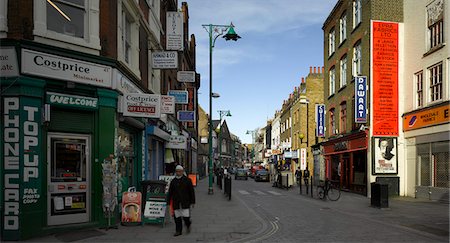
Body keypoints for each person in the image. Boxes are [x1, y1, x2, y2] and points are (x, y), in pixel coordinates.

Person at [167, 165, 195, 237]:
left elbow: (191, 192)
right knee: (177, 218)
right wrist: (168, 201)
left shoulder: (188, 180)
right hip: (176, 202)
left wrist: (192, 202)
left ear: (182, 172)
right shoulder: (173, 181)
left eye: (180, 171)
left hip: (185, 202)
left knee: (186, 217)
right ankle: (178, 231)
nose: (178, 173)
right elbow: (170, 192)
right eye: (177, 171)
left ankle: (188, 224)